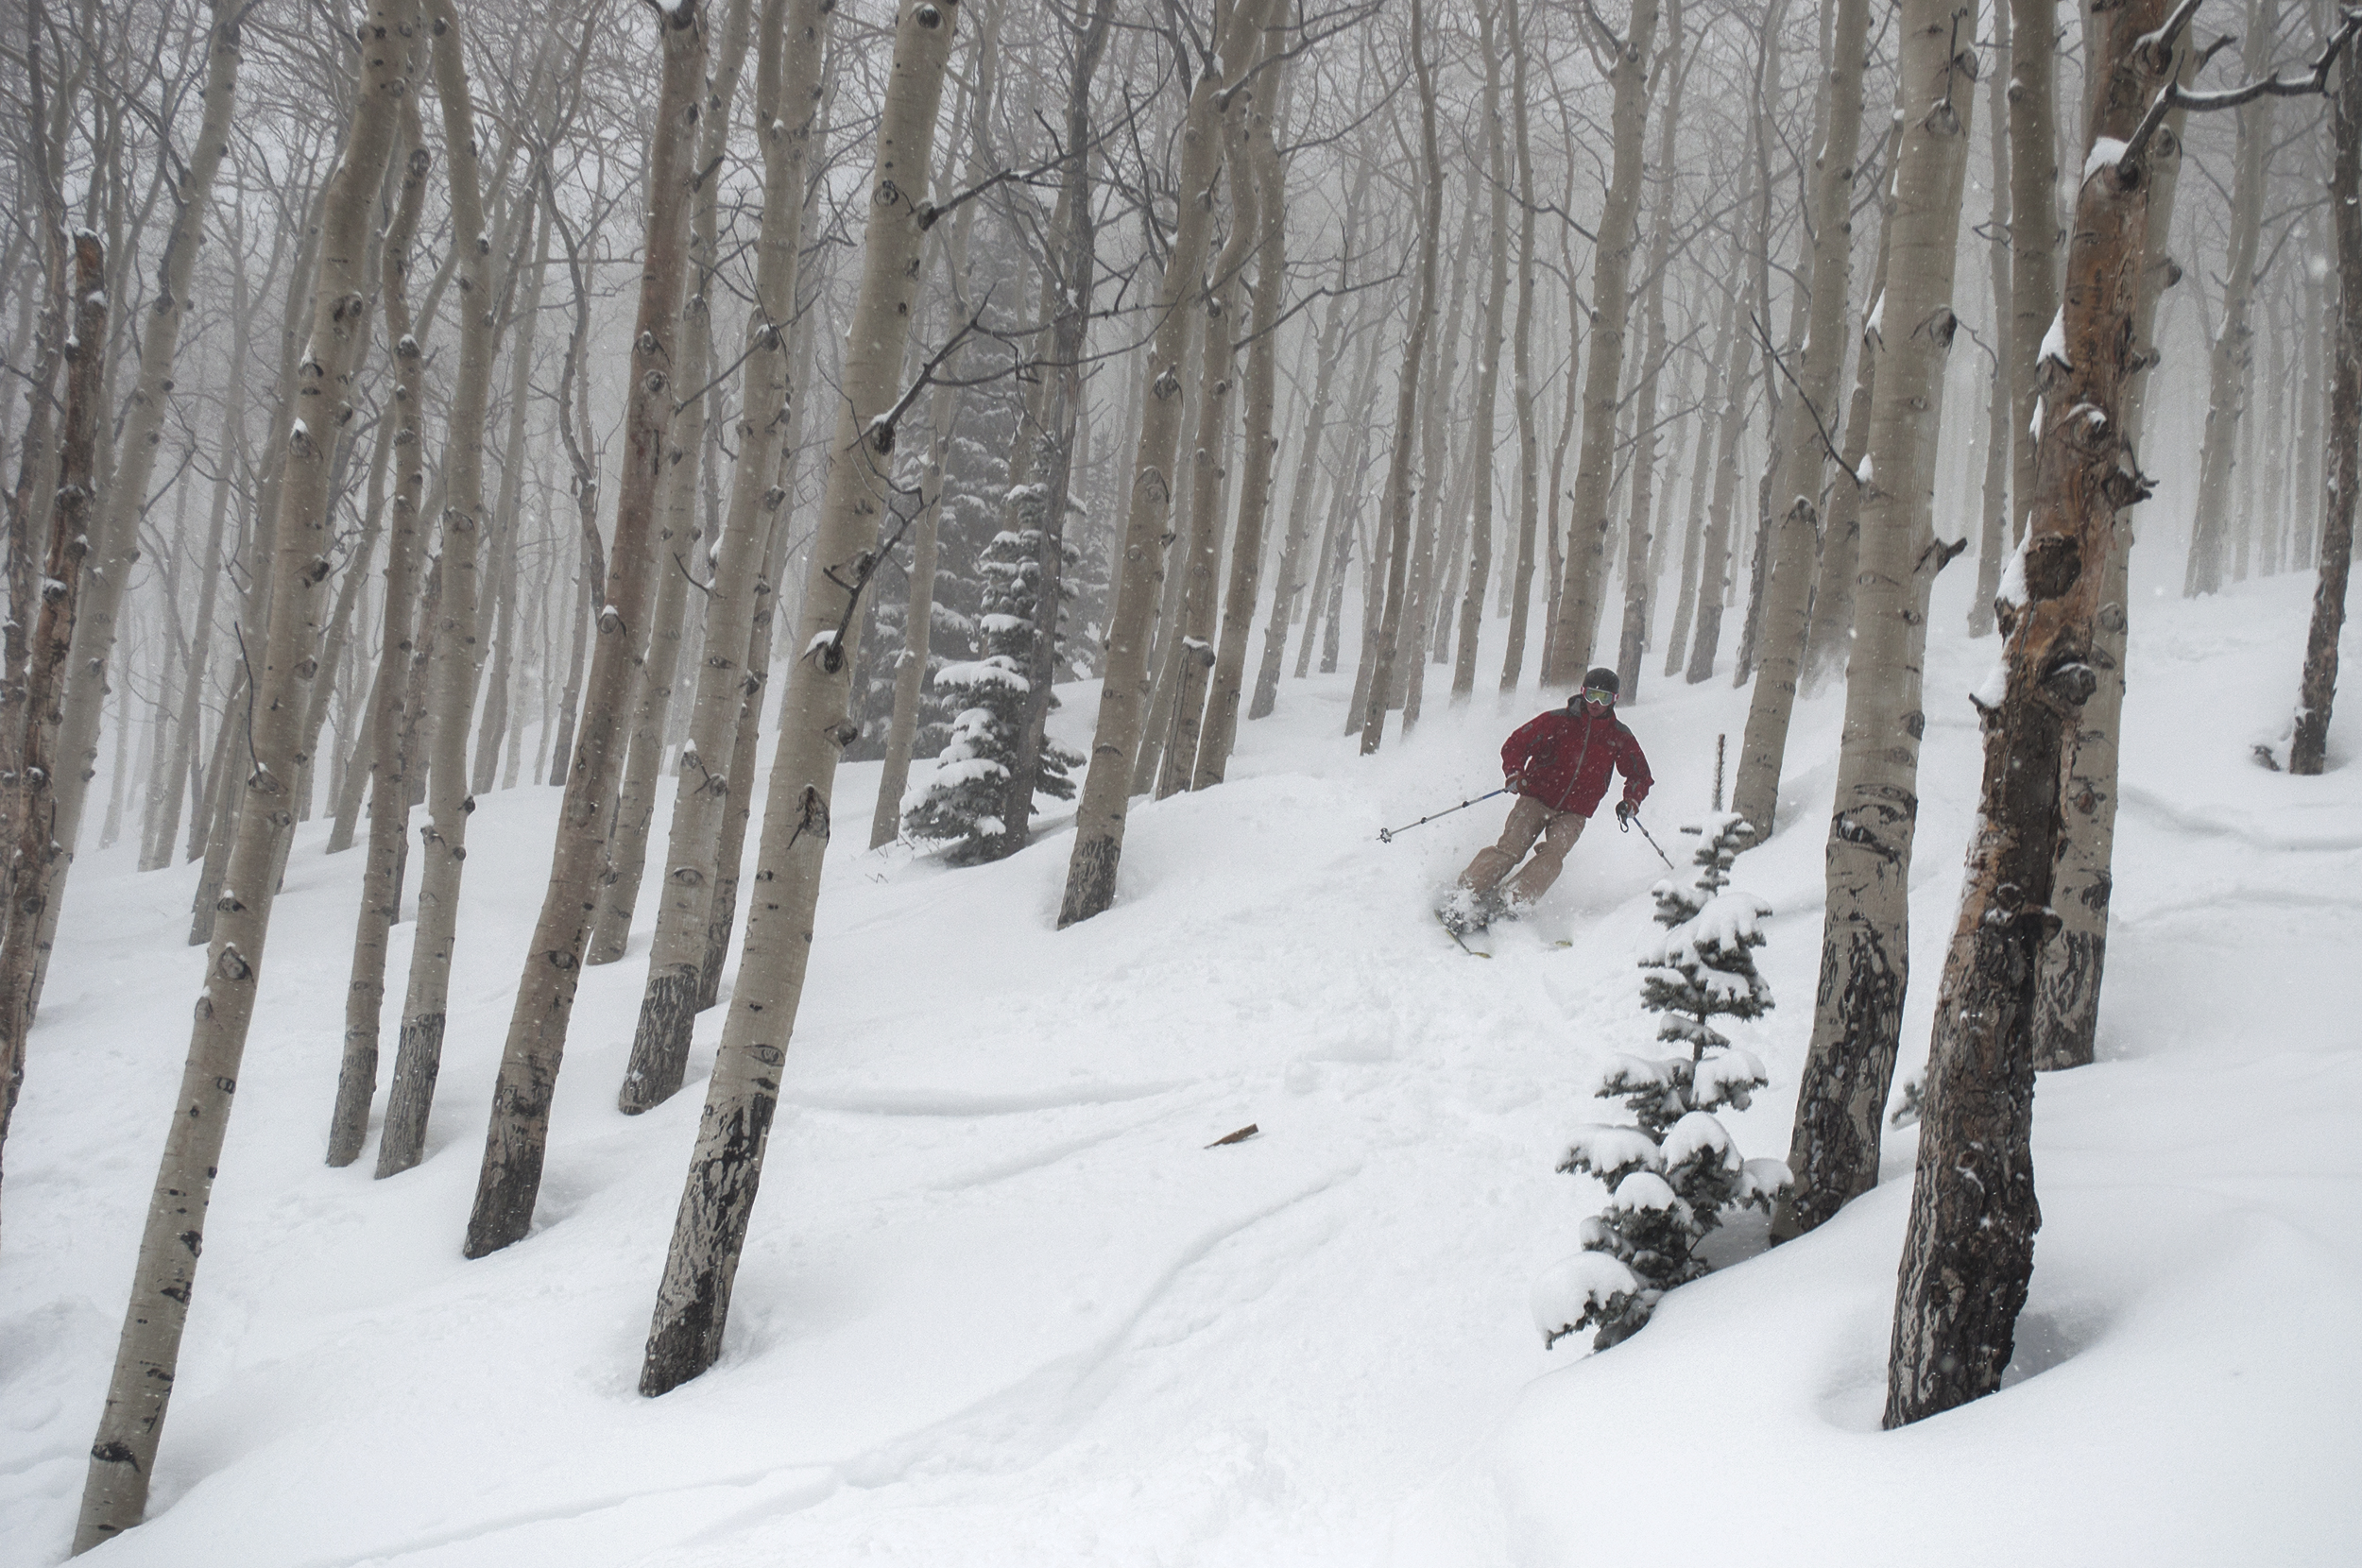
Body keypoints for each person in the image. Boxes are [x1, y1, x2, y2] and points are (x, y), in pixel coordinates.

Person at [1447, 666, 1652, 928]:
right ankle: (1465, 893)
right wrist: (1514, 773)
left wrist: (1631, 800)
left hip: (1575, 811)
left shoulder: (1619, 736)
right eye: (1591, 695)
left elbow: (1640, 775)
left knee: (1553, 856)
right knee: (1511, 849)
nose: (1596, 704)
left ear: (1615, 700)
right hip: (1536, 798)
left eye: (1604, 698)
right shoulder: (1557, 721)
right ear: (1582, 693)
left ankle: (1509, 902)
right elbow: (1516, 744)